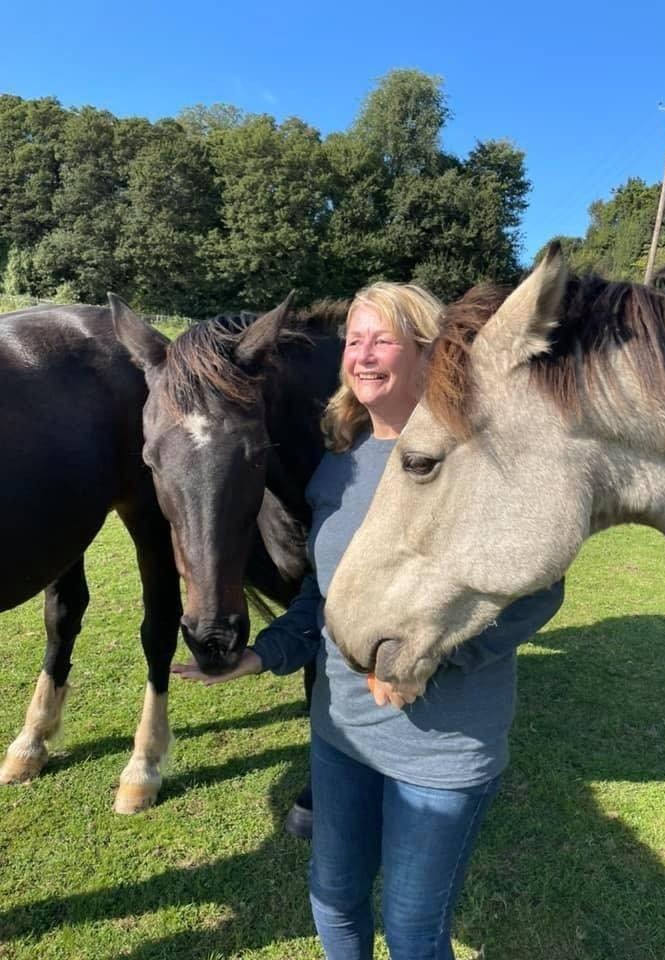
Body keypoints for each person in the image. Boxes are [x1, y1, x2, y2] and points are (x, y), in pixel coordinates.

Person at [174, 280, 564, 960]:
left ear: (426, 349)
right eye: (355, 340)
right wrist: (261, 655)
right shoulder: (341, 462)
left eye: (383, 337)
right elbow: (325, 596)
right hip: (341, 736)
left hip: (441, 753)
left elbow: (537, 591)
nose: (362, 353)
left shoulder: (481, 455)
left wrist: (433, 656)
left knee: (414, 933)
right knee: (333, 900)